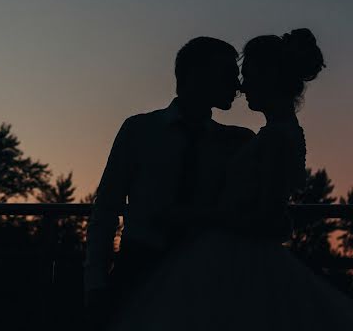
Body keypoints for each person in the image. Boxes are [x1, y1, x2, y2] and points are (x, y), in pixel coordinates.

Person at [112, 29, 353, 330]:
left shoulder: (275, 138)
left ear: (269, 77)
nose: (241, 87)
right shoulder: (260, 137)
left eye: (247, 74)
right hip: (217, 256)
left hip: (236, 260)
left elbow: (267, 218)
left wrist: (195, 217)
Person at [84, 37, 255, 329]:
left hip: (205, 275)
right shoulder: (139, 130)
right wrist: (96, 280)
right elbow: (107, 207)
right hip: (138, 269)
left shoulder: (234, 142)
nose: (237, 85)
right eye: (226, 73)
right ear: (196, 74)